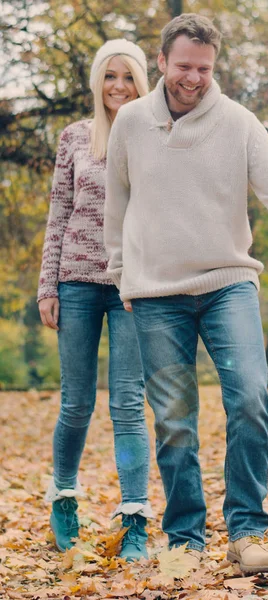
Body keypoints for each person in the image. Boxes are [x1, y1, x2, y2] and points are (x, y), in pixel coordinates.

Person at [103, 14, 268, 573]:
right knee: (173, 418)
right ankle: (186, 540)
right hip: (155, 293)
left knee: (248, 398)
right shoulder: (132, 123)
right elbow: (115, 204)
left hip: (227, 283)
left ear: (215, 67)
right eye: (183, 66)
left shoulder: (239, 123)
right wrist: (121, 273)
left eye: (205, 69)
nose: (193, 78)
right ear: (161, 61)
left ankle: (245, 533)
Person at [37, 39, 152, 561]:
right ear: (96, 82)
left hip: (132, 286)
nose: (119, 87)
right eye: (110, 77)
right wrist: (48, 286)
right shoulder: (74, 138)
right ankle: (64, 497)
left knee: (128, 404)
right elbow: (59, 214)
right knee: (77, 401)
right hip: (77, 283)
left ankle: (135, 519)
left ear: (142, 82)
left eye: (128, 77)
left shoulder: (156, 135)